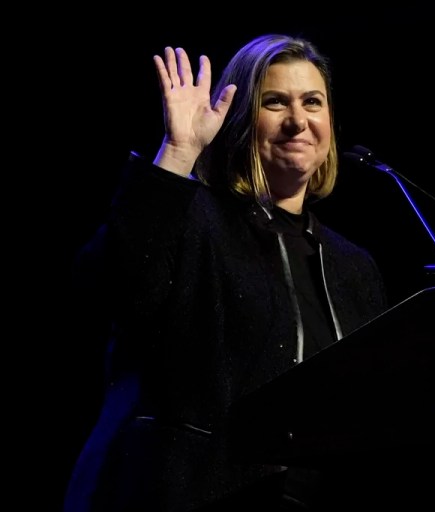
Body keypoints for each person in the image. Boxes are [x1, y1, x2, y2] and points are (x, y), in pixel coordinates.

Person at [62, 34, 389, 511]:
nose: (298, 121)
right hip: (185, 495)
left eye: (312, 102)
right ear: (240, 119)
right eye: (275, 102)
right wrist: (177, 153)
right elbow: (102, 291)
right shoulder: (192, 216)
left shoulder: (354, 266)